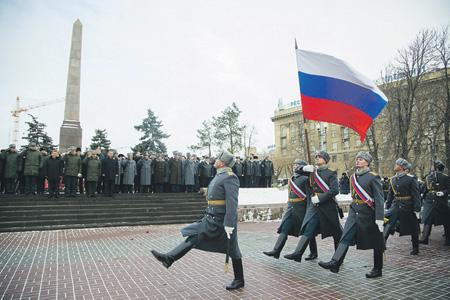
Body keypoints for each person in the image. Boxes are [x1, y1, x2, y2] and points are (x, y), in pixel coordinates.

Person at [151, 149, 245, 290]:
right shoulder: (220, 175)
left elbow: (232, 202)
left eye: (218, 158)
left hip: (220, 220)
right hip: (211, 217)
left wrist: (229, 222)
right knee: (196, 234)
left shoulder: (230, 177)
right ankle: (169, 257)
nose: (215, 160)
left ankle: (239, 279)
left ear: (222, 163)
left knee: (232, 249)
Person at [318, 151, 385, 278]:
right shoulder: (353, 177)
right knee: (346, 235)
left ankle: (378, 269)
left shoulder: (373, 177)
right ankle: (335, 262)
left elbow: (379, 198)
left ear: (367, 162)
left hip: (369, 212)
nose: (358, 161)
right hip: (355, 211)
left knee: (376, 241)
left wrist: (380, 217)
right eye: (357, 159)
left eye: (361, 159)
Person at [284, 150, 341, 262]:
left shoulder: (331, 172)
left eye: (320, 157)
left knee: (336, 232)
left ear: (325, 160)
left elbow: (334, 190)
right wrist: (304, 168)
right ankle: (298, 253)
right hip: (314, 206)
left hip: (328, 206)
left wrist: (320, 198)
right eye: (316, 157)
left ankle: (337, 257)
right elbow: (297, 169)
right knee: (308, 228)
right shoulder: (311, 171)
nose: (317, 158)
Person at [263, 159, 312, 259]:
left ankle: (313, 252)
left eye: (297, 165)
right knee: (284, 228)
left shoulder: (305, 179)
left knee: (307, 231)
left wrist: (309, 209)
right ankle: (276, 251)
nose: (295, 166)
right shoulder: (292, 178)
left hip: (301, 208)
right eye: (294, 165)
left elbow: (309, 195)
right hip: (291, 208)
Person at [384, 158, 421, 255]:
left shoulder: (411, 179)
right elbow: (390, 195)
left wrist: (417, 209)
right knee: (388, 221)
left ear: (402, 167)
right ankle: (382, 243)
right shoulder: (393, 179)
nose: (395, 165)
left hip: (408, 205)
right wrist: (388, 206)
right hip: (396, 205)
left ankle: (415, 247)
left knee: (413, 227)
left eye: (397, 164)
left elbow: (416, 195)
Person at [419, 161, 450, 246]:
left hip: (440, 201)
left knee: (446, 220)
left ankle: (448, 239)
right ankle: (425, 238)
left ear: (437, 168)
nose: (431, 167)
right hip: (430, 200)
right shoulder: (429, 177)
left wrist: (443, 192)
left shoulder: (445, 177)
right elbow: (424, 187)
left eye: (433, 166)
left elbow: (448, 188)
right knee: (427, 219)